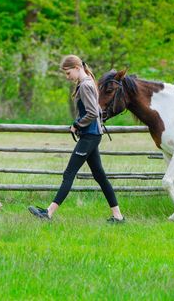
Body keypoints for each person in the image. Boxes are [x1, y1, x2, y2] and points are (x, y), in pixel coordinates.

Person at [28, 55, 125, 223]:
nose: (68, 77)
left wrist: (77, 124)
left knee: (69, 173)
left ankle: (48, 213)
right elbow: (96, 111)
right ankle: (118, 216)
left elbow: (93, 112)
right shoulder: (87, 82)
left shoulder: (86, 85)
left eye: (68, 73)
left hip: (90, 136)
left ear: (77, 68)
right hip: (92, 135)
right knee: (100, 176)